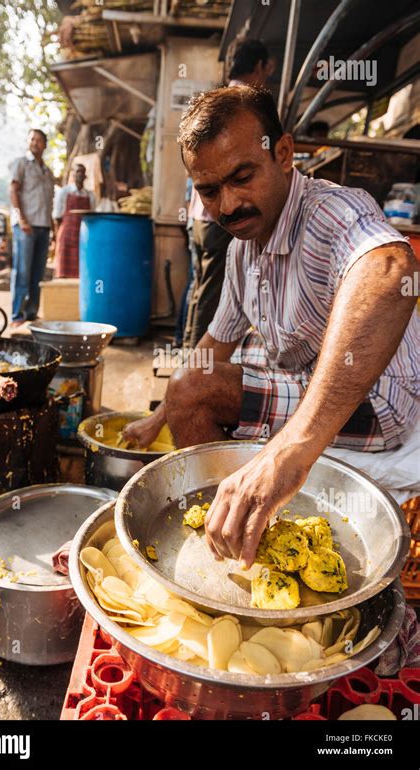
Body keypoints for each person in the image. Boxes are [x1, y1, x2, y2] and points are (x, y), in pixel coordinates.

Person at [123, 86, 418, 568]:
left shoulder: (331, 211)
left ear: (283, 153)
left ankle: (240, 539)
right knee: (189, 385)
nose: (228, 205)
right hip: (308, 384)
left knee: (196, 392)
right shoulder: (243, 249)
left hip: (380, 401)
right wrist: (162, 412)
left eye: (242, 177)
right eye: (209, 190)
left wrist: (292, 449)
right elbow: (216, 343)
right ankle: (229, 527)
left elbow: (390, 269)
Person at [183, 38, 275, 349]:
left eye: (243, 177)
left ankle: (188, 354)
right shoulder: (244, 106)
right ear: (260, 66)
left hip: (198, 218)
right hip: (211, 224)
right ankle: (194, 363)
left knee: (199, 289)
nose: (231, 202)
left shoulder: (212, 101)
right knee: (209, 295)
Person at [9, 129, 55, 326]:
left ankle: (31, 312)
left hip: (44, 227)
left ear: (45, 145)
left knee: (37, 273)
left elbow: (49, 202)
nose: (35, 143)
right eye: (32, 139)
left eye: (39, 140)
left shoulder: (48, 172)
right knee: (22, 271)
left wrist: (52, 230)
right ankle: (17, 315)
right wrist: (22, 220)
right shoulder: (21, 163)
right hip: (25, 226)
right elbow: (13, 189)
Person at [52, 164, 95, 279]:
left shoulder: (90, 195)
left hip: (83, 235)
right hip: (67, 234)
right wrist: (57, 238)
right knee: (64, 269)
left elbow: (92, 215)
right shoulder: (64, 192)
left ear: (85, 176)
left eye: (82, 172)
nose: (80, 174)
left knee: (82, 269)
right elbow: (57, 217)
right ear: (73, 174)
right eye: (77, 172)